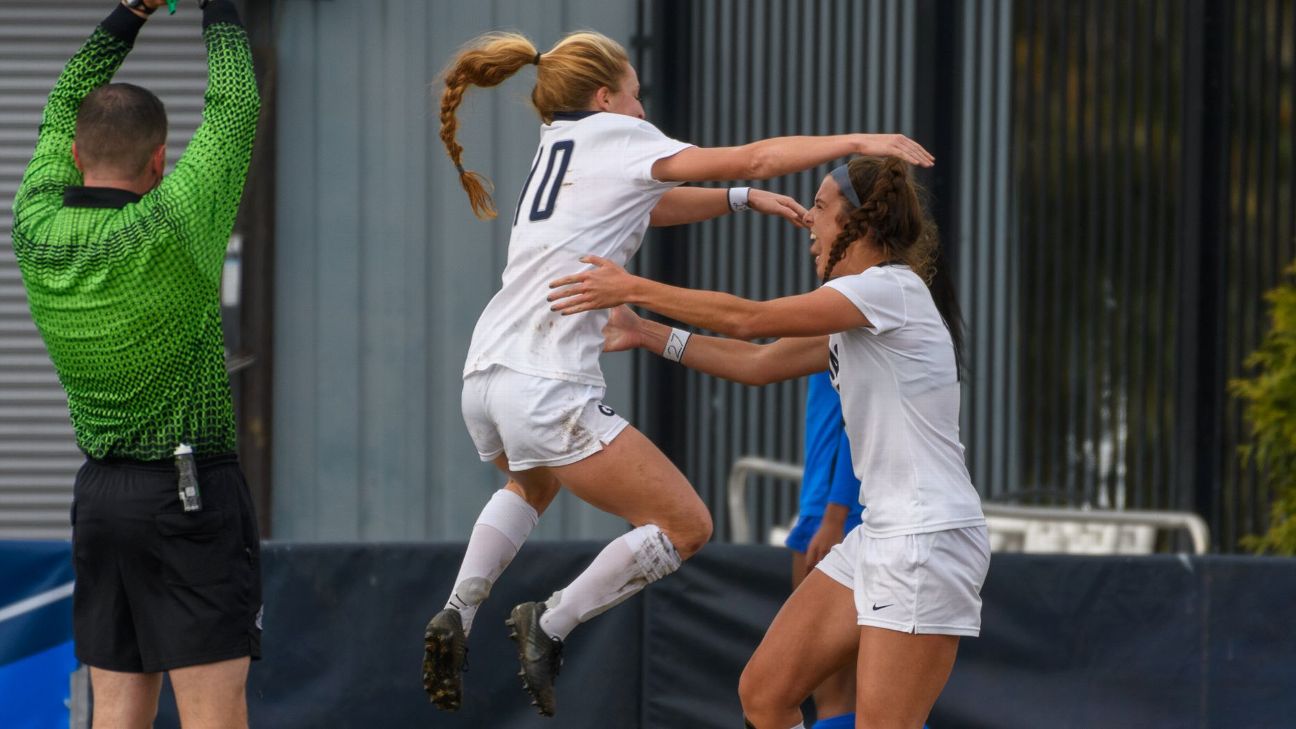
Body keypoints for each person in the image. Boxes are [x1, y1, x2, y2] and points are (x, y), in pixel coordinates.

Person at [422, 30, 935, 718]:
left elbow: (653, 203)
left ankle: (459, 606)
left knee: (531, 481)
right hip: (548, 375)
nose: (643, 111)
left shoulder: (559, 145)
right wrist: (858, 141)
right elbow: (753, 158)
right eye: (636, 94)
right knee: (686, 524)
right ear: (606, 97)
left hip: (486, 371)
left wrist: (740, 201)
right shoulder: (618, 132)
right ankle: (550, 621)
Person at [550, 155, 987, 729]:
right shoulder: (861, 311)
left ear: (861, 225)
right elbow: (757, 362)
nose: (810, 221)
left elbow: (750, 321)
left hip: (926, 541)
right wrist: (644, 331)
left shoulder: (889, 291)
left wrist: (633, 285)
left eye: (823, 210)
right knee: (764, 691)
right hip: (881, 534)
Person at [11, 1, 262, 727]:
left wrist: (129, 12)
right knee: (215, 714)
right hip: (190, 498)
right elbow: (236, 106)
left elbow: (61, 105)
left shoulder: (36, 225)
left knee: (114, 715)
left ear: (76, 155)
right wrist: (221, 9)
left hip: (100, 503)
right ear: (159, 161)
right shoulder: (175, 223)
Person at [789, 371, 866, 729]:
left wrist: (834, 516)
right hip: (834, 513)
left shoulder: (847, 326)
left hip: (836, 518)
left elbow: (861, 419)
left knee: (836, 698)